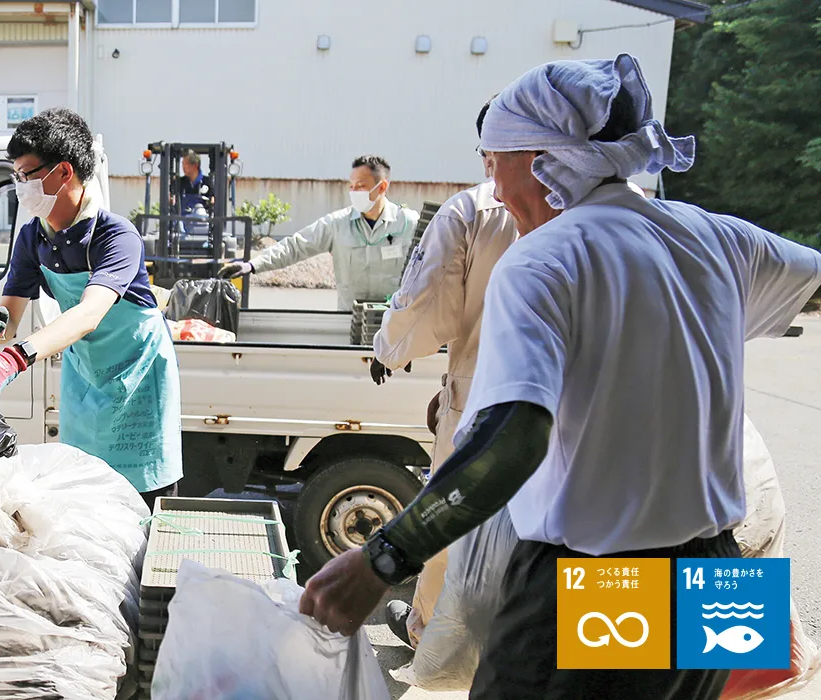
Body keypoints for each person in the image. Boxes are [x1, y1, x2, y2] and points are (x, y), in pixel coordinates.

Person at [298, 53, 821, 700]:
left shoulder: (544, 259)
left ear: (542, 160)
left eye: (495, 164)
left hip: (604, 576)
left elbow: (514, 438)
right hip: (713, 569)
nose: (491, 185)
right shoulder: (717, 238)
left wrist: (382, 559)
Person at [0, 108, 182, 509]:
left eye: (27, 175)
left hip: (139, 381)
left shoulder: (115, 235)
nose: (20, 186)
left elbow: (88, 314)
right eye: (16, 176)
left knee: (145, 504)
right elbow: (10, 320)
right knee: (85, 497)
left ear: (63, 172)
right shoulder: (32, 238)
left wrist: (14, 357)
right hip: (85, 381)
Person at [369, 101, 520, 650]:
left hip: (483, 398)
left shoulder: (478, 211)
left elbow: (424, 306)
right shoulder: (661, 224)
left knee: (453, 518)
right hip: (690, 483)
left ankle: (429, 632)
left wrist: (388, 349)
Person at [218, 155, 419, 309]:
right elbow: (296, 246)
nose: (354, 192)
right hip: (350, 324)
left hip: (395, 326)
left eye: (361, 186)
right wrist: (253, 265)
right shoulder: (337, 224)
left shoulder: (408, 224)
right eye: (352, 186)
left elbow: (435, 265)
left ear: (382, 186)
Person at [174, 150, 214, 217]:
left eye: (185, 164)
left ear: (195, 165)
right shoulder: (179, 183)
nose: (183, 167)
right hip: (182, 221)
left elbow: (214, 200)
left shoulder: (208, 182)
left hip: (204, 222)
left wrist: (213, 201)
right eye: (182, 164)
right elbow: (171, 198)